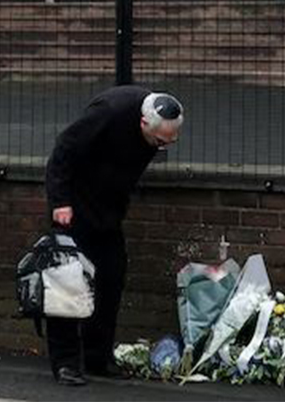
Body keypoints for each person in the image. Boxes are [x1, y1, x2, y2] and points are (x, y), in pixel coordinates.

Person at [43, 85, 184, 387]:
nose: (161, 147)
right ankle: (66, 362)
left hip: (107, 214)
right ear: (144, 123)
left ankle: (98, 357)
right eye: (159, 141)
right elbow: (64, 148)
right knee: (67, 284)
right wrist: (59, 202)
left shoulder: (153, 125)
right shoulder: (109, 113)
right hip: (73, 208)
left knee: (111, 278)